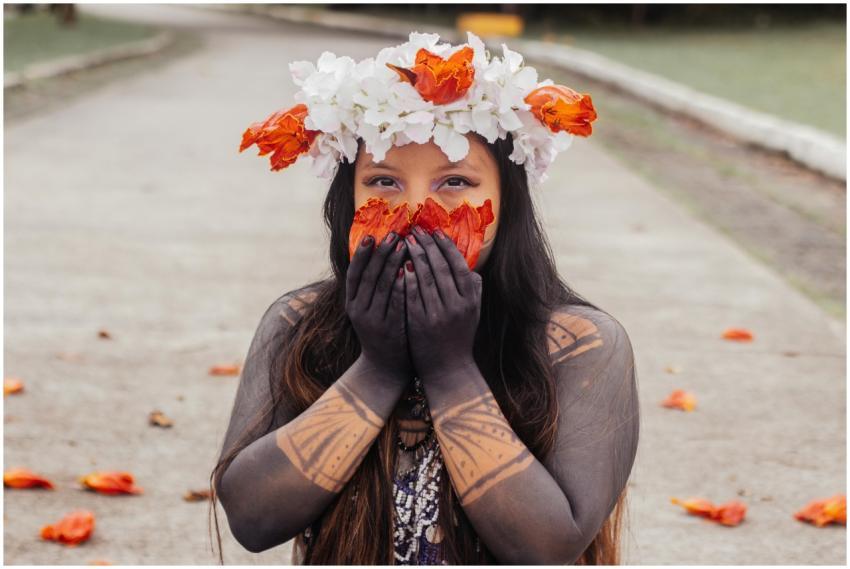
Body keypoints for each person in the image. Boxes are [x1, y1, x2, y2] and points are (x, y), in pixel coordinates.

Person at [209, 31, 640, 565]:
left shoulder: (581, 344)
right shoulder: (298, 323)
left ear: (509, 204)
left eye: (455, 182)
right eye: (384, 182)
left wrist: (449, 368)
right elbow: (251, 518)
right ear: (349, 200)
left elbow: (547, 547)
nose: (415, 213)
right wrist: (380, 367)